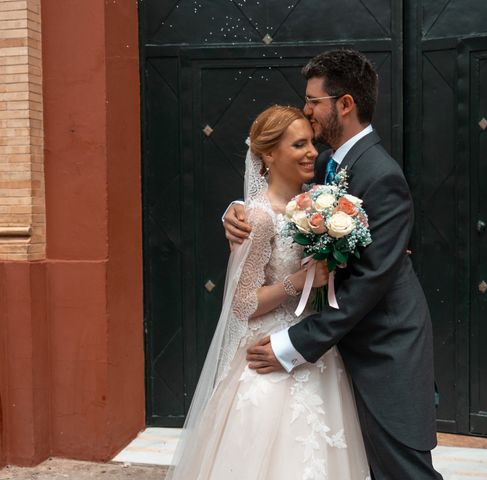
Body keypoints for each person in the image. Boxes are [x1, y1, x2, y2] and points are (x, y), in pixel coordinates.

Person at [224, 50, 442, 479]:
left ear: (344, 104)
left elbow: (367, 281)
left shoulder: (381, 175)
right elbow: (275, 201)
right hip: (338, 353)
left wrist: (292, 346)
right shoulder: (324, 165)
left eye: (313, 100)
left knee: (402, 470)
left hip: (383, 348)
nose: (306, 110)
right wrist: (235, 212)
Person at [165, 105, 370, 480]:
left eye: (311, 142)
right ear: (269, 155)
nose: (312, 152)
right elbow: (243, 303)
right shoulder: (257, 218)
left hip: (313, 348)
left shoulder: (319, 204)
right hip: (268, 354)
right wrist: (302, 281)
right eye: (299, 145)